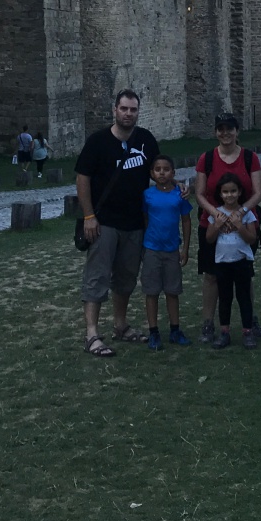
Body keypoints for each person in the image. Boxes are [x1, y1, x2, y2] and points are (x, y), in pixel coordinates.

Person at [74, 89, 159, 357]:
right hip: (104, 222)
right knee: (97, 276)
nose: (128, 114)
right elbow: (82, 178)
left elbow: (158, 172)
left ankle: (120, 325)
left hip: (134, 222)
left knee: (125, 278)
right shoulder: (98, 142)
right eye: (124, 109)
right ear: (115, 110)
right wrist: (89, 216)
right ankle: (92, 334)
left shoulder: (145, 140)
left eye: (133, 110)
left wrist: (175, 187)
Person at [193, 113, 261, 344]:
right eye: (221, 129)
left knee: (245, 276)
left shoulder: (249, 158)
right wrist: (217, 215)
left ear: (237, 131)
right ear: (216, 132)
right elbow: (200, 193)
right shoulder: (207, 159)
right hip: (212, 225)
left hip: (242, 223)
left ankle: (249, 321)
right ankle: (208, 323)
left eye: (229, 129)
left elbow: (257, 193)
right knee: (211, 275)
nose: (225, 133)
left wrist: (240, 213)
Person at [140, 155, 193, 350]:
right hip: (152, 249)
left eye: (166, 169)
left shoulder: (179, 195)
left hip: (172, 250)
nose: (162, 172)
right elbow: (145, 219)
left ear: (173, 173)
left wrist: (185, 248)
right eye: (157, 169)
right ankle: (153, 331)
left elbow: (186, 221)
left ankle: (175, 330)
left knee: (172, 291)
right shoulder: (147, 195)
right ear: (152, 174)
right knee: (151, 292)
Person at [205, 173, 260, 350]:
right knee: (225, 298)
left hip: (241, 261)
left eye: (233, 191)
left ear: (239, 192)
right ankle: (224, 332)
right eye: (225, 192)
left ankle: (247, 331)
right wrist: (217, 225)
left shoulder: (247, 214)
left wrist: (239, 226)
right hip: (222, 262)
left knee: (244, 297)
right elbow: (209, 238)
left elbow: (252, 238)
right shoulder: (217, 214)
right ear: (220, 194)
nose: (229, 195)